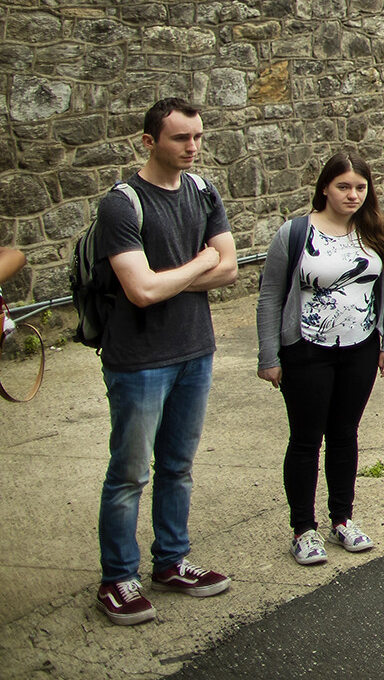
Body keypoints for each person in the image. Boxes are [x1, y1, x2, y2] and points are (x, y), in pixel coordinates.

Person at [90, 98, 239, 625]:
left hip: (194, 350)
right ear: (149, 141)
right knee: (130, 472)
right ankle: (118, 578)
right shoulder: (122, 204)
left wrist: (170, 279)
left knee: (178, 467)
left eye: (197, 137)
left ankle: (171, 561)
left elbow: (230, 271)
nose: (192, 148)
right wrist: (198, 261)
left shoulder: (202, 191)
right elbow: (140, 291)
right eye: (180, 139)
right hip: (139, 361)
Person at [256, 153, 384, 566]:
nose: (353, 195)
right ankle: (303, 529)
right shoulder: (295, 233)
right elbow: (270, 297)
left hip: (359, 348)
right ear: (325, 188)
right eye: (343, 186)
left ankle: (342, 519)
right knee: (305, 439)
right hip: (306, 350)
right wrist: (269, 354)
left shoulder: (376, 232)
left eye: (360, 187)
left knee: (344, 435)